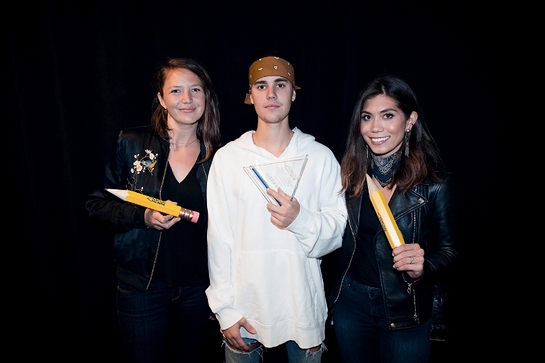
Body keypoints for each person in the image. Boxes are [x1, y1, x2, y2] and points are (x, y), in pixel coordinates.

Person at [205, 55, 347, 363]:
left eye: (280, 85)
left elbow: (337, 232)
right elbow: (219, 240)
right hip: (244, 309)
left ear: (293, 93)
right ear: (250, 95)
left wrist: (300, 219)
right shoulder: (228, 159)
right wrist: (225, 311)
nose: (271, 94)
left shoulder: (320, 157)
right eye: (261, 86)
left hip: (302, 308)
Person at [85, 58, 221, 363]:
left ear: (206, 97)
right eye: (176, 91)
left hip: (199, 290)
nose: (186, 99)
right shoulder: (132, 142)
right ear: (161, 98)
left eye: (195, 90)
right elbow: (97, 204)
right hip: (141, 288)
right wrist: (143, 216)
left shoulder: (220, 156)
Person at [323, 75, 462, 363]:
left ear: (410, 120)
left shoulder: (434, 183)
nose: (375, 128)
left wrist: (424, 265)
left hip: (405, 310)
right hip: (351, 304)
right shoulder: (348, 176)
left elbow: (451, 251)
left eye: (388, 115)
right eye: (367, 117)